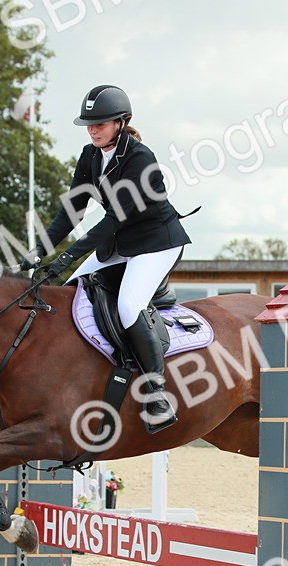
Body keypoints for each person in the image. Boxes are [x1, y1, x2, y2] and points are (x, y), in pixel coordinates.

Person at [26, 85, 193, 433]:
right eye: (89, 124)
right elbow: (71, 210)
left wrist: (69, 255)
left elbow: (115, 217)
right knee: (70, 293)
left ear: (121, 122)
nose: (92, 129)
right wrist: (39, 251)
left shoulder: (139, 158)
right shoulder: (90, 156)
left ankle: (156, 394)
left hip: (156, 242)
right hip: (121, 242)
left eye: (99, 123)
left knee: (129, 306)